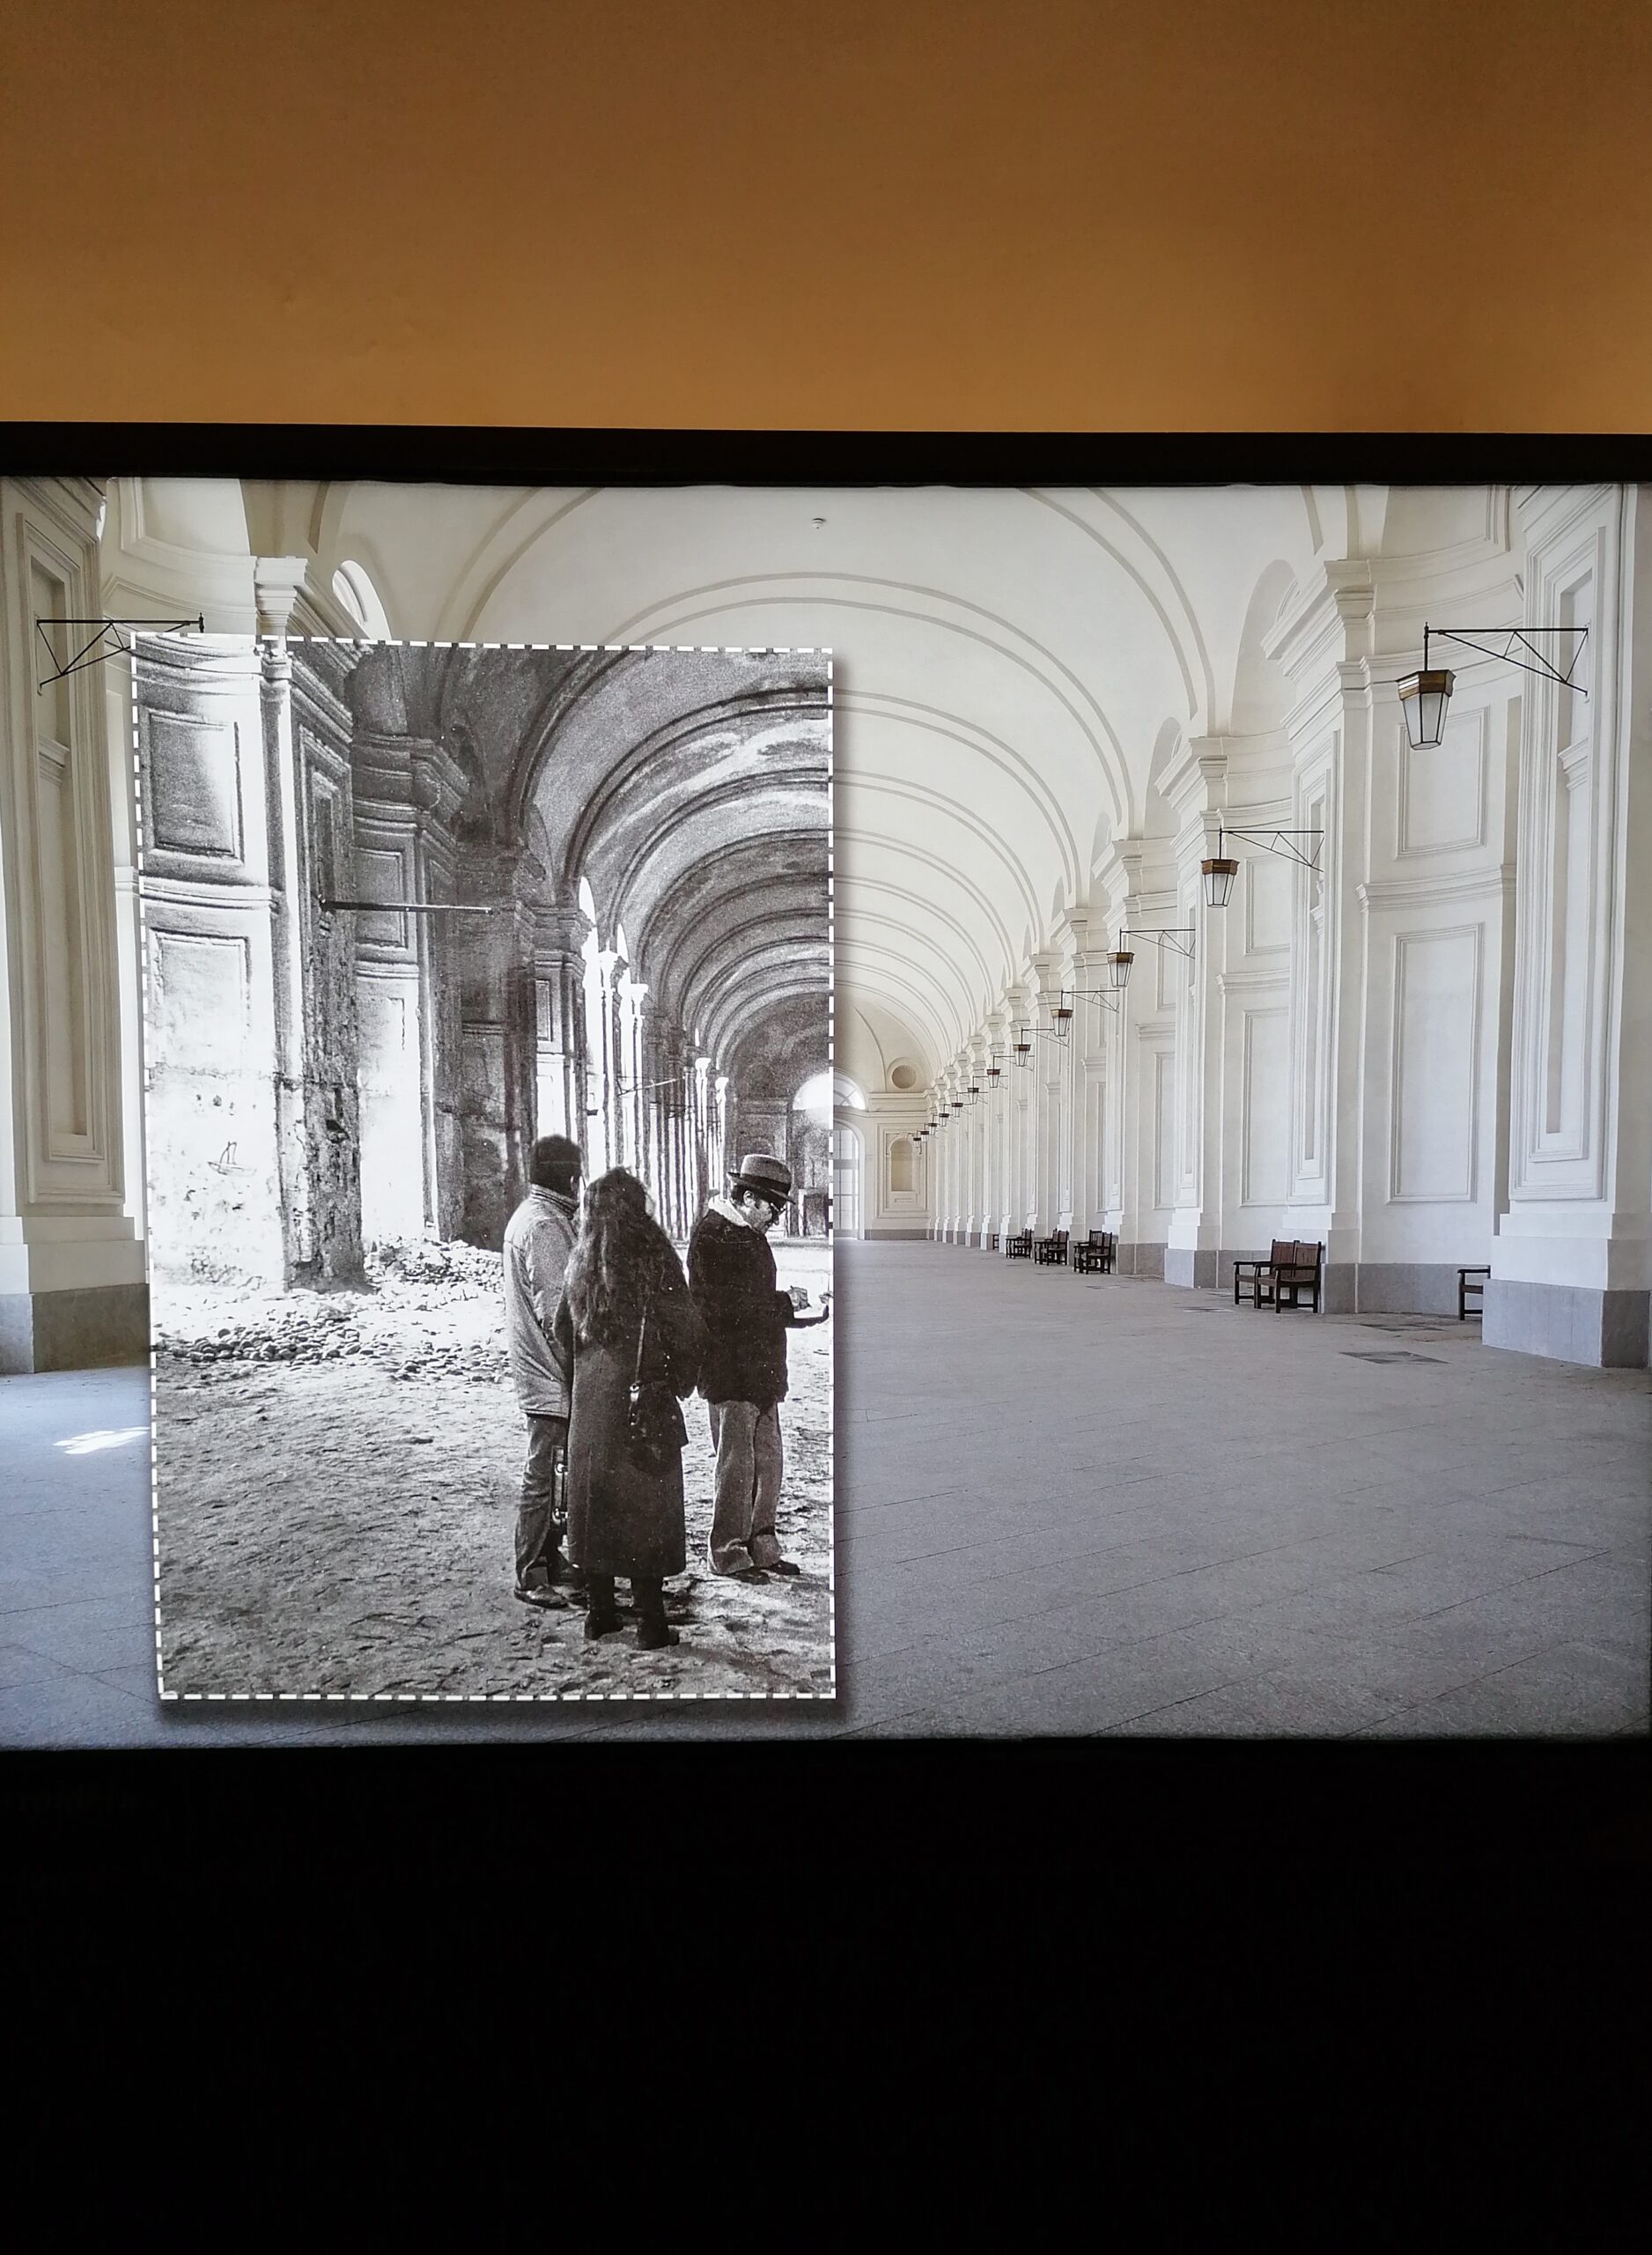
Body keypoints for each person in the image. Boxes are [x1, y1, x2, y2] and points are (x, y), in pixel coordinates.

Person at [550, 1169, 705, 1650]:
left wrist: (585, 1378)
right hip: (644, 1401)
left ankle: (600, 1615)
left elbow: (561, 1331)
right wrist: (678, 1378)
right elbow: (686, 1330)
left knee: (596, 1506)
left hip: (592, 1406)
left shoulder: (581, 1262)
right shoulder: (656, 1260)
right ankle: (652, 1624)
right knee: (647, 1508)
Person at [688, 1151, 830, 1581]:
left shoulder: (746, 1232)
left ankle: (762, 1545)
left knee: (768, 1461)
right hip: (731, 1373)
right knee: (736, 1466)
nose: (776, 1216)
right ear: (748, 1197)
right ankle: (728, 1552)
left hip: (761, 1372)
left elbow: (752, 1301)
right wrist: (786, 1303)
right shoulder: (713, 1235)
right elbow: (727, 1308)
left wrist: (795, 1308)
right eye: (772, 1206)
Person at [502, 1133, 583, 1608]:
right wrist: (580, 1370)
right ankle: (531, 1571)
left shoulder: (534, 1217)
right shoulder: (546, 1226)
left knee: (556, 1474)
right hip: (550, 1373)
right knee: (544, 1474)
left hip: (541, 1370)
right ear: (571, 1177)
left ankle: (551, 1560)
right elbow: (558, 1314)